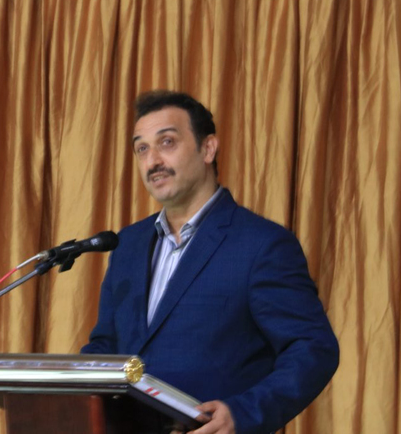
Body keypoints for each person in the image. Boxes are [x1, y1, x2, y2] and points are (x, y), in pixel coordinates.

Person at [82, 90, 339, 434]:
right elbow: (106, 345)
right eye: (141, 148)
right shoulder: (127, 244)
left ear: (208, 149)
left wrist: (243, 413)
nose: (152, 160)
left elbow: (313, 348)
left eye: (167, 142)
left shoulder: (262, 245)